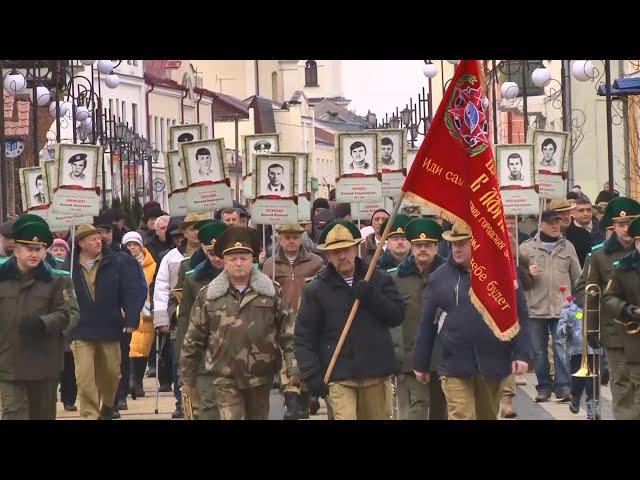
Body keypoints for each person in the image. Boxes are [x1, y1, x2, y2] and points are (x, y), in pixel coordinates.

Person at [412, 222, 531, 420]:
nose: (456, 249)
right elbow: (427, 323)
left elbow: (519, 315)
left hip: (492, 360)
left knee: (487, 415)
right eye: (453, 244)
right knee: (462, 415)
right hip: (453, 363)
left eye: (462, 243)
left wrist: (521, 353)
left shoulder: (502, 272)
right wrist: (420, 362)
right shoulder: (439, 278)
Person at [180, 226, 298, 420]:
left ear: (252, 259)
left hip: (261, 377)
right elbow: (194, 338)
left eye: (243, 258)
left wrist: (293, 368)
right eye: (233, 259)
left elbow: (288, 333)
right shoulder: (210, 296)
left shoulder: (271, 292)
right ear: (224, 261)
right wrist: (187, 377)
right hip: (224, 376)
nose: (238, 264)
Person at [294, 220, 404, 419]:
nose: (342, 256)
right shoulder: (316, 289)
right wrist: (311, 375)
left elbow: (396, 316)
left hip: (376, 373)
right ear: (327, 255)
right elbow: (303, 337)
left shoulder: (378, 279)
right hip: (339, 377)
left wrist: (372, 296)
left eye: (346, 249)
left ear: (356, 248)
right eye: (335, 252)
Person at [0, 216, 78, 420]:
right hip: (8, 362)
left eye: (39, 249)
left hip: (44, 364)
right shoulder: (2, 279)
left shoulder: (58, 280)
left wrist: (43, 323)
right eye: (29, 249)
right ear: (16, 250)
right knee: (13, 413)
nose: (34, 254)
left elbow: (70, 313)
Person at [69, 224, 146, 420]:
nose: (98, 241)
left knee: (112, 376)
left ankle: (108, 406)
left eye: (99, 238)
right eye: (93, 239)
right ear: (81, 243)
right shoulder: (70, 266)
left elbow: (132, 289)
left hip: (109, 326)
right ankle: (90, 415)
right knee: (85, 380)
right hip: (81, 329)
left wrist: (131, 317)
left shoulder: (117, 262)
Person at [575, 197, 640, 419]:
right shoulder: (599, 255)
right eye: (620, 225)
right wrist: (591, 329)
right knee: (622, 384)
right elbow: (587, 291)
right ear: (613, 226)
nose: (625, 229)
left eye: (630, 223)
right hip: (615, 331)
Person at [262, 223, 324, 419]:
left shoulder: (315, 262)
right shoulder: (270, 265)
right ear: (279, 239)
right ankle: (292, 404)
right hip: (281, 319)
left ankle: (306, 398)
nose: (291, 241)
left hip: (309, 319)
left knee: (306, 360)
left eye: (295, 237)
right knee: (286, 362)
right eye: (287, 237)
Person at [519, 209, 581, 402]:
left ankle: (563, 386)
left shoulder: (567, 247)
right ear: (541, 224)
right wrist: (527, 272)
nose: (555, 226)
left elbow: (577, 278)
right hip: (535, 307)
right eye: (551, 222)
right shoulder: (526, 248)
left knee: (561, 346)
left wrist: (577, 305)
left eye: (558, 222)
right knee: (538, 351)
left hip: (561, 307)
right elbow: (518, 278)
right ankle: (544, 386)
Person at [388, 218, 447, 420]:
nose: (423, 249)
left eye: (428, 245)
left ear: (436, 248)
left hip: (444, 355)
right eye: (418, 245)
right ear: (412, 247)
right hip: (410, 356)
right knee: (417, 408)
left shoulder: (448, 276)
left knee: (442, 410)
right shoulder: (396, 279)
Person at [153, 212, 207, 418]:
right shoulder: (171, 257)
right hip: (178, 315)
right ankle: (180, 401)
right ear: (184, 231)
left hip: (204, 314)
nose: (196, 232)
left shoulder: (213, 253)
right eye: (192, 228)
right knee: (180, 360)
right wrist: (161, 318)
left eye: (199, 228)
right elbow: (161, 288)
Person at [174, 221, 227, 420]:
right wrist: (181, 356)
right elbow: (184, 318)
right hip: (205, 352)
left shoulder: (242, 271)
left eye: (219, 252)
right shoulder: (192, 276)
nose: (215, 257)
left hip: (237, 355)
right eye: (210, 252)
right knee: (208, 408)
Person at [602, 215, 640, 419]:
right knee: (628, 388)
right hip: (631, 337)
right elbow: (608, 296)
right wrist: (627, 310)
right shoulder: (623, 268)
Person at [121, 231, 157, 401]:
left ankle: (138, 380)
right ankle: (130, 380)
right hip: (129, 311)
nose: (132, 247)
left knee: (143, 348)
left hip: (147, 313)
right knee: (130, 347)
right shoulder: (122, 263)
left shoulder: (152, 266)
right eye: (129, 245)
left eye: (135, 244)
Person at [556, 294, 602, 419]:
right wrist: (565, 328)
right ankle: (575, 396)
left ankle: (592, 407)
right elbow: (559, 331)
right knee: (578, 379)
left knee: (592, 380)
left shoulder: (597, 307)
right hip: (576, 350)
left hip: (593, 349)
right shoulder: (569, 309)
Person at [550, 198, 592, 267]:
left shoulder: (583, 235)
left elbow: (588, 262)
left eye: (568, 212)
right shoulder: (542, 235)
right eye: (561, 213)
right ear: (552, 216)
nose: (566, 217)